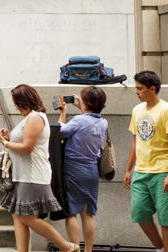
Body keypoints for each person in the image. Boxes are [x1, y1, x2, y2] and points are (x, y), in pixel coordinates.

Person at [0, 84, 77, 252]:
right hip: (23, 174)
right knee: (18, 216)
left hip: (31, 176)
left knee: (28, 217)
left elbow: (27, 147)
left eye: (17, 103)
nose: (16, 107)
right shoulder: (31, 117)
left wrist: (5, 143)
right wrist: (9, 137)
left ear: (25, 101)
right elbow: (25, 143)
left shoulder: (35, 117)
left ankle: (67, 247)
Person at [58, 86, 109, 252]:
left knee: (72, 212)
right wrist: (83, 108)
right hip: (92, 170)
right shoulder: (103, 122)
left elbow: (61, 132)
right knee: (87, 214)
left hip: (73, 169)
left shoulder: (78, 120)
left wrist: (62, 114)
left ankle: (74, 249)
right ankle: (88, 250)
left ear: (86, 102)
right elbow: (88, 120)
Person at [124, 70, 168, 252]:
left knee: (166, 219)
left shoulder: (166, 110)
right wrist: (128, 170)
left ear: (152, 89)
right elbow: (136, 141)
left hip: (162, 171)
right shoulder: (137, 110)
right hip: (141, 172)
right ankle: (159, 248)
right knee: (140, 213)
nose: (136, 92)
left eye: (139, 88)